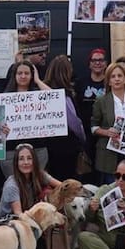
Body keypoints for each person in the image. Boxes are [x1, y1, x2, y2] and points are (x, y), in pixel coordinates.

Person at [0, 144, 63, 249]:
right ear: (16, 163)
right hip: (8, 221)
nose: (26, 162)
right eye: (21, 159)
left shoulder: (40, 175)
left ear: (35, 160)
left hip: (28, 217)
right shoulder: (12, 184)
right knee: (21, 229)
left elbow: (62, 187)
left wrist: (72, 193)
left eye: (29, 158)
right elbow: (18, 214)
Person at [91, 61, 125, 183]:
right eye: (113, 76)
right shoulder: (101, 101)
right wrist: (106, 132)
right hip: (109, 155)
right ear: (109, 81)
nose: (116, 79)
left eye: (120, 76)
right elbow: (93, 127)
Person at [41, 54, 87, 182]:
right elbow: (73, 122)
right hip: (67, 146)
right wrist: (83, 138)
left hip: (48, 145)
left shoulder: (41, 92)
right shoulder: (66, 94)